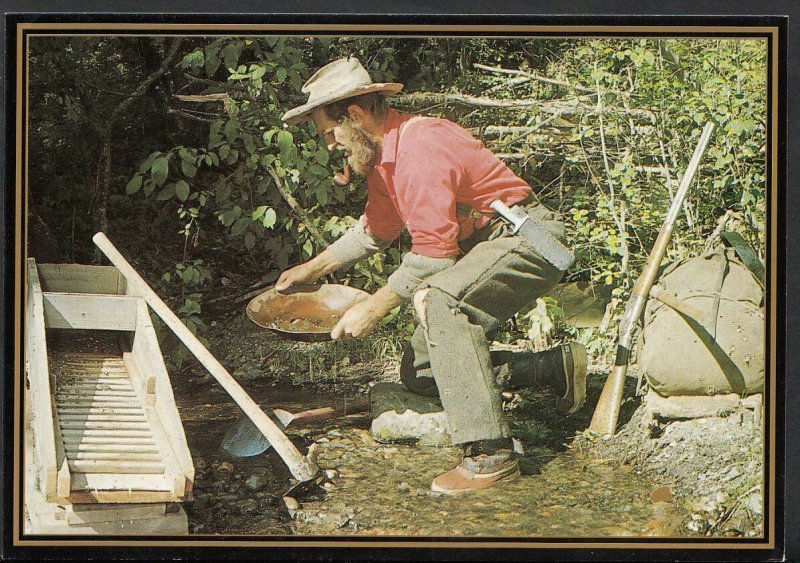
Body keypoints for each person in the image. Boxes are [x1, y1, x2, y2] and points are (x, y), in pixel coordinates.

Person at [277, 57, 587, 495]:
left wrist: (373, 306)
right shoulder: (385, 155)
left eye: (330, 134)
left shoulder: (420, 147)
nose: (330, 146)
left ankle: (489, 454)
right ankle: (549, 368)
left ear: (356, 116)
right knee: (420, 371)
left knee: (441, 301)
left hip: (528, 240)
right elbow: (374, 231)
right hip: (488, 244)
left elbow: (434, 256)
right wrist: (310, 270)